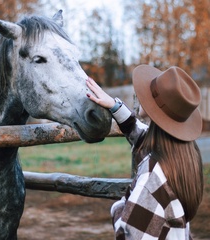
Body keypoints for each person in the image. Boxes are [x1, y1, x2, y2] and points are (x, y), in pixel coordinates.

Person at [86, 64, 203, 240]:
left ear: (157, 109)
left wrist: (120, 206)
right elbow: (142, 136)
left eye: (148, 93)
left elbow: (128, 235)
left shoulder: (153, 175)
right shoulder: (186, 155)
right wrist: (115, 106)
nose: (141, 94)